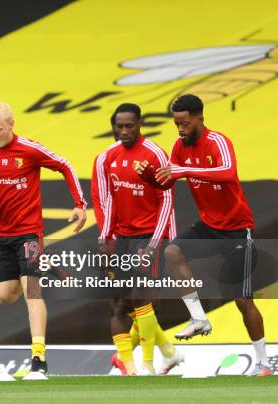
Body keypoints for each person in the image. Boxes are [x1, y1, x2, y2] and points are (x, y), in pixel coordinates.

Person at [146, 93, 272, 377]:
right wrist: (149, 177)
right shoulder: (179, 146)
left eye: (185, 123)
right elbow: (167, 183)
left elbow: (228, 172)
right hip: (208, 226)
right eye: (176, 123)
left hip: (237, 231)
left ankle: (264, 363)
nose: (180, 129)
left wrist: (186, 169)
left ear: (200, 119)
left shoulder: (218, 142)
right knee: (172, 251)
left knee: (242, 300)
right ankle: (199, 318)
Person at [0, 101, 87, 374]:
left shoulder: (30, 149)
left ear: (11, 124)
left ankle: (38, 359)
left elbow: (65, 165)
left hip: (29, 233)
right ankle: (45, 265)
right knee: (4, 295)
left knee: (30, 292)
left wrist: (80, 204)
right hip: (2, 236)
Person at [93, 112, 183, 376]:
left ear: (139, 125)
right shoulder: (109, 156)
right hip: (121, 238)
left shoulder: (155, 153)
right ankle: (135, 365)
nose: (123, 131)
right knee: (120, 303)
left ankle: (149, 365)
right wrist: (104, 240)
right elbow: (110, 202)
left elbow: (167, 201)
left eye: (129, 126)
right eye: (119, 126)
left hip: (147, 237)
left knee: (142, 301)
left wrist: (155, 244)